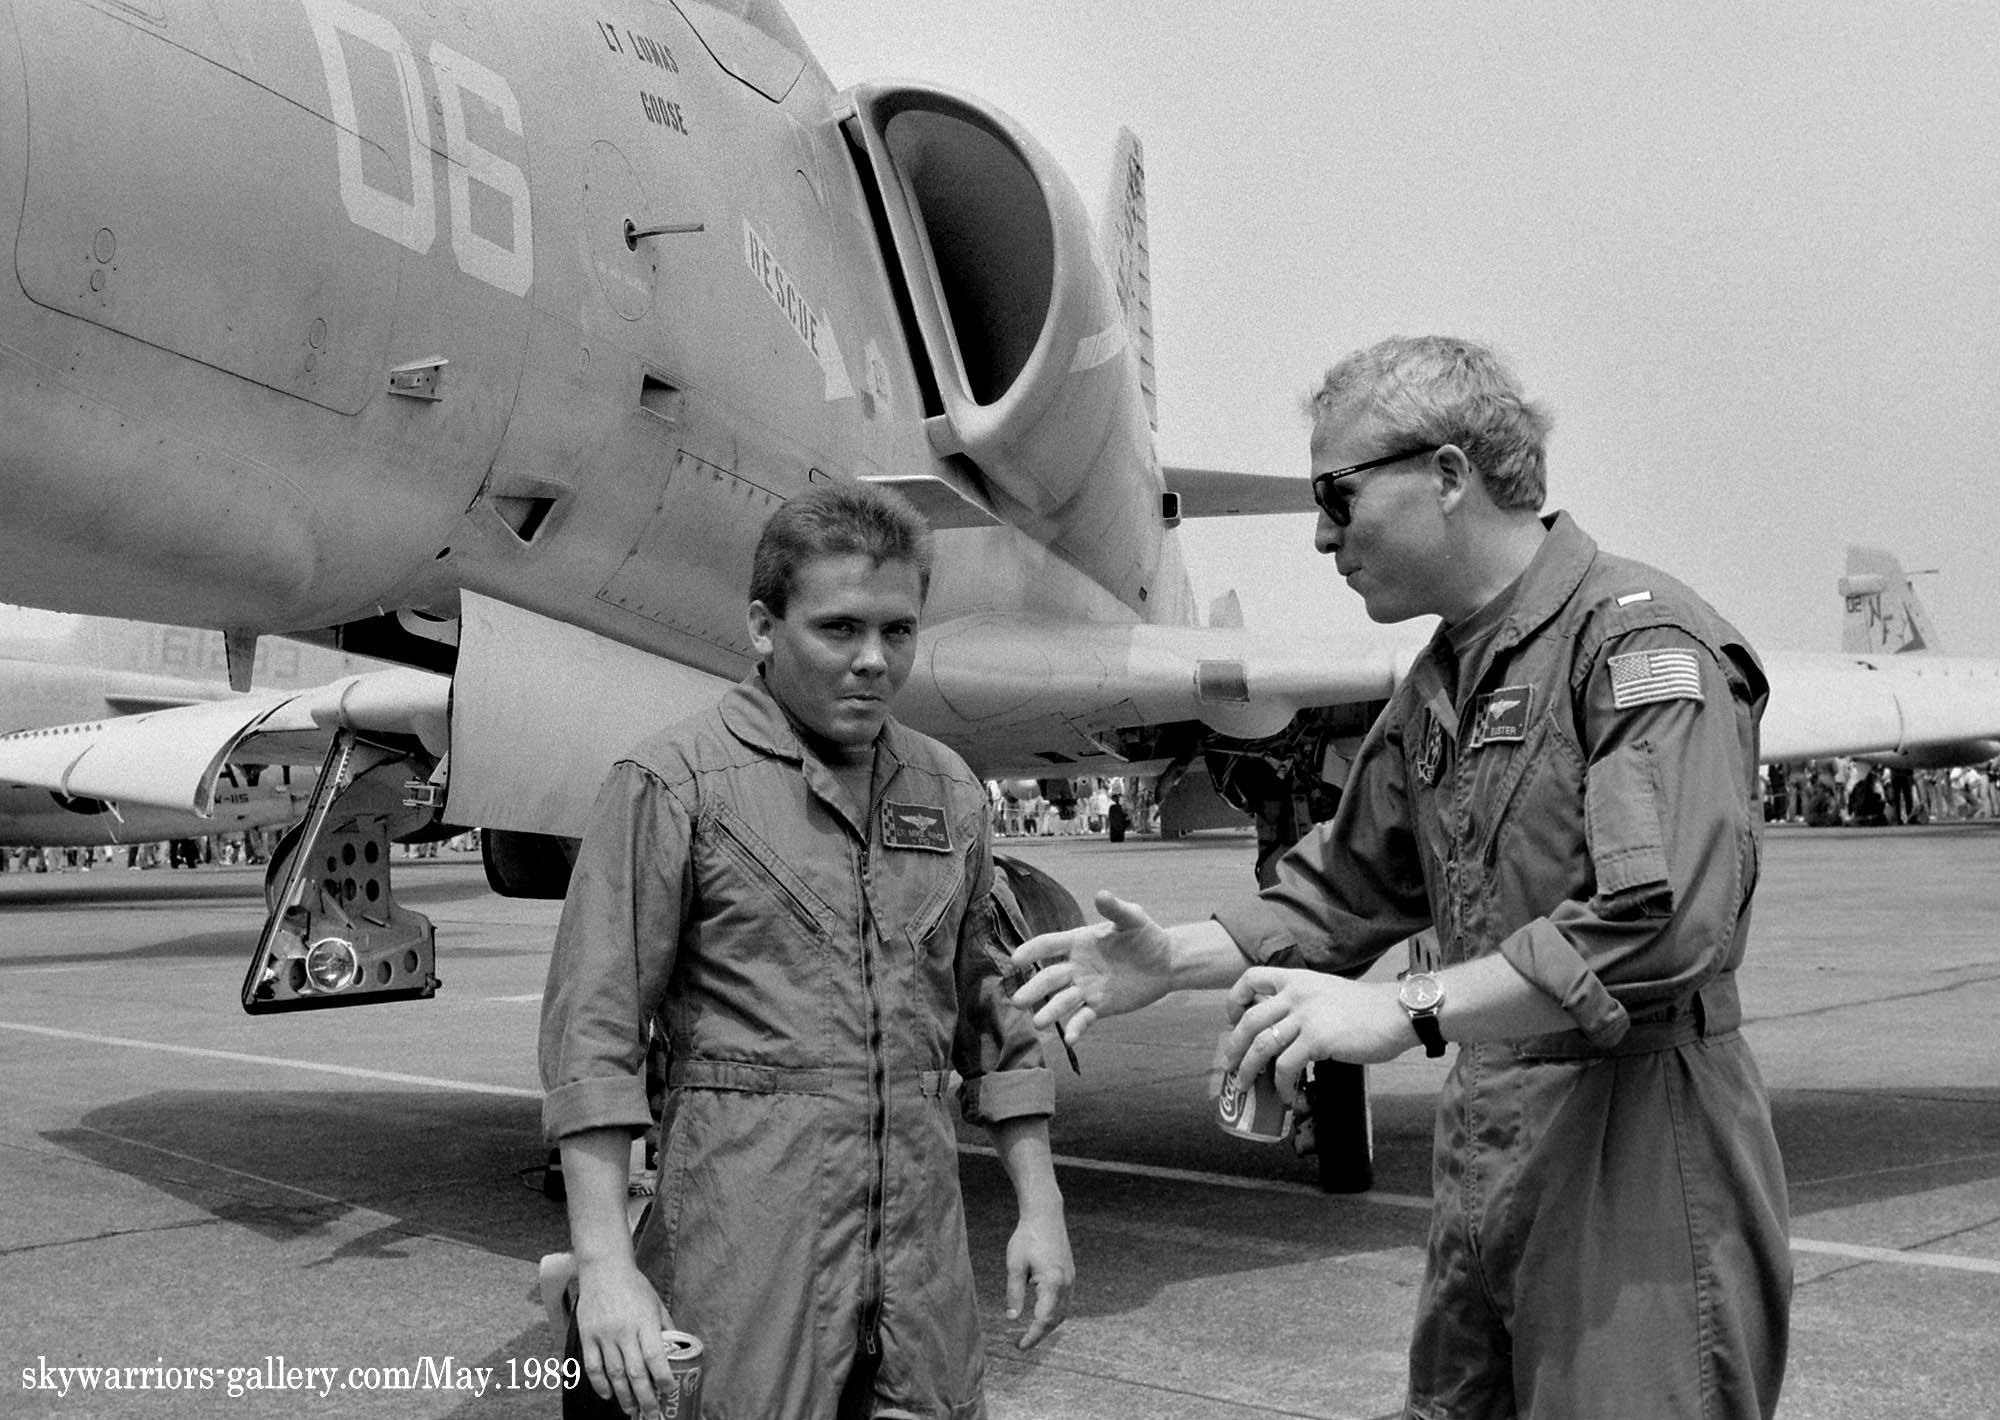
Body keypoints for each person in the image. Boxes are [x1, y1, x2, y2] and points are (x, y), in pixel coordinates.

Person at [1012, 336, 1790, 1419]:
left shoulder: (1637, 648)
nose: (1321, 534)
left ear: (1448, 474)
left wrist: (1403, 1008)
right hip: (1491, 1142)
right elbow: (1346, 885)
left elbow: (1660, 928)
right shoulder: (1442, 680)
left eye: (1336, 495)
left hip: (1639, 1144)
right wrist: (1166, 958)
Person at [539, 481, 1072, 1419]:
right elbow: (594, 1037)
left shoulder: (948, 791)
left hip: (924, 1268)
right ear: (763, 626)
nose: (873, 660)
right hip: (744, 1250)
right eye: (839, 629)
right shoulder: (674, 784)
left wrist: (1041, 1207)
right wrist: (606, 1265)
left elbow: (996, 1021)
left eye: (898, 631)